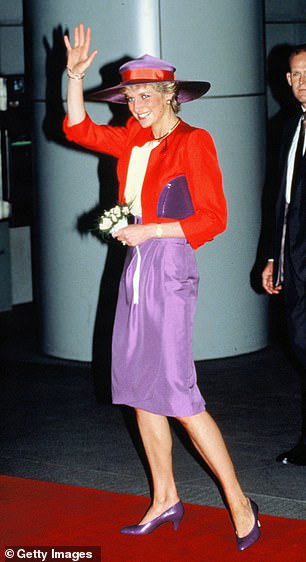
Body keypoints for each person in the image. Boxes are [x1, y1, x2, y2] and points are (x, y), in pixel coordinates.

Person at [63, 23, 261, 551]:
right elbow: (79, 128)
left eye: (148, 93)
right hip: (134, 266)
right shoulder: (130, 136)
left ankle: (240, 502)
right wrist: (73, 77)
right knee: (137, 390)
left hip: (169, 264)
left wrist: (150, 230)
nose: (138, 103)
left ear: (171, 94)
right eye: (131, 94)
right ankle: (165, 497)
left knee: (176, 392)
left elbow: (214, 219)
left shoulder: (196, 142)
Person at [262, 44, 306, 465]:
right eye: (293, 74)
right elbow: (281, 200)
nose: (300, 81)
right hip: (293, 263)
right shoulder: (290, 125)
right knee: (299, 343)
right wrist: (272, 257)